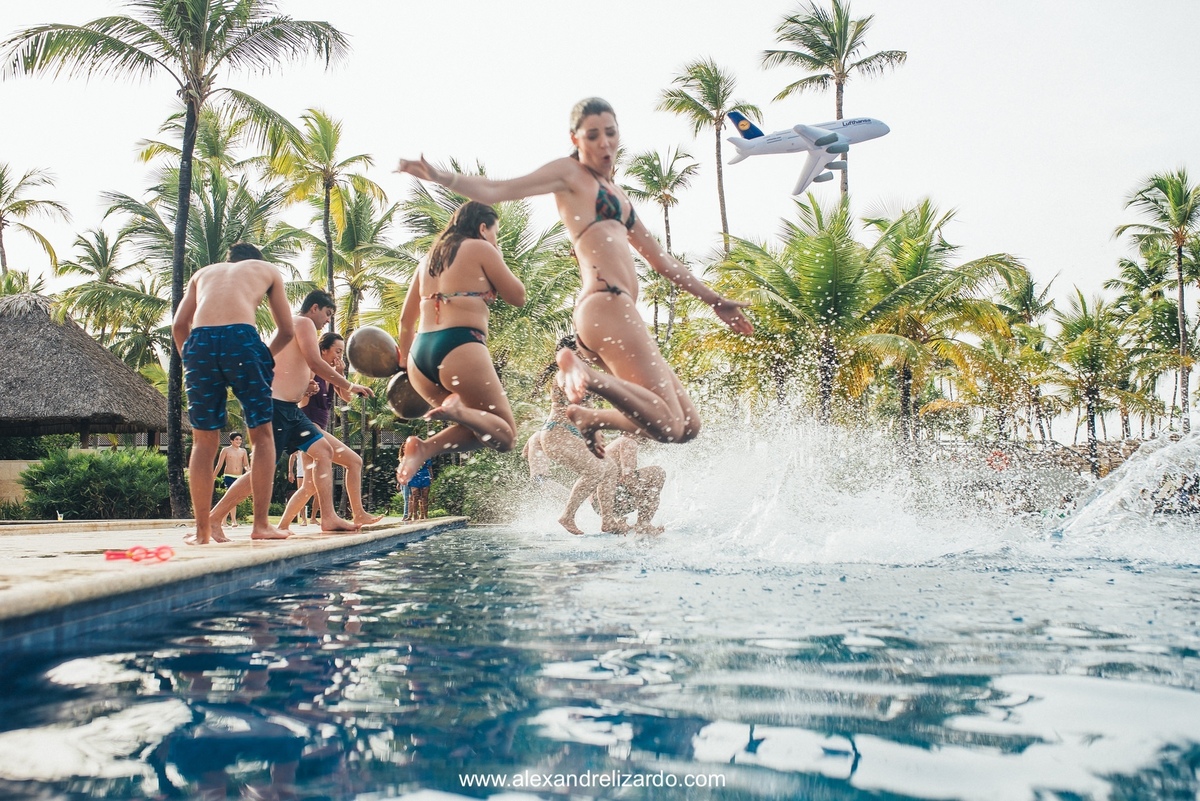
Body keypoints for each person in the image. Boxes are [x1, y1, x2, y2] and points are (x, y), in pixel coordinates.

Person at [396, 97, 753, 458]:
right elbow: (499, 189)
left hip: (620, 307)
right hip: (604, 303)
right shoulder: (569, 175)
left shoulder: (619, 196)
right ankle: (585, 373)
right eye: (592, 135)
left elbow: (661, 260)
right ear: (575, 139)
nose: (604, 143)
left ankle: (590, 416)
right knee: (669, 425)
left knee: (687, 426)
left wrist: (715, 300)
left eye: (610, 133)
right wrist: (442, 176)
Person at [208, 291, 374, 539]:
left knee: (324, 451)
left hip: (291, 412)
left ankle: (328, 518)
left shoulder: (295, 327)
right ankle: (213, 519)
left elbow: (279, 365)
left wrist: (304, 387)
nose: (327, 321)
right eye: (327, 314)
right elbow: (316, 363)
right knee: (260, 473)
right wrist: (350, 386)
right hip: (275, 409)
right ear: (314, 308)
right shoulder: (303, 322)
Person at [393, 201, 527, 484]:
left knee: (479, 426)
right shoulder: (481, 248)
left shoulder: (427, 260)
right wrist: (496, 252)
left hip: (420, 359)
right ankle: (456, 414)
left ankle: (424, 448)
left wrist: (405, 362)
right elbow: (518, 297)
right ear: (482, 227)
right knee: (505, 436)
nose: (495, 240)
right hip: (460, 345)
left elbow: (406, 322)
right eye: (495, 233)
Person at [171, 242, 295, 545]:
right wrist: (264, 356)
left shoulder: (202, 273)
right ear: (256, 260)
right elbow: (287, 331)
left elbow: (178, 326)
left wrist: (191, 360)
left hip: (199, 342)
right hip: (241, 338)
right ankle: (261, 525)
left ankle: (202, 531)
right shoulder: (267, 270)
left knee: (203, 442)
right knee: (262, 437)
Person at [276, 331, 384, 531]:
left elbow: (347, 398)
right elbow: (301, 402)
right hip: (309, 427)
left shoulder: (330, 374)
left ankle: (282, 526)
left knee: (308, 486)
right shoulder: (312, 368)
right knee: (354, 461)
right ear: (323, 350)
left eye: (342, 352)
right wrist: (308, 390)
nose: (339, 356)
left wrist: (341, 374)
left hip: (312, 432)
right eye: (337, 351)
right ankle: (358, 513)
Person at [534, 338, 621, 535]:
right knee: (594, 470)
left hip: (572, 435)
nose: (588, 356)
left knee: (610, 468)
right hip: (558, 434)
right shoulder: (565, 374)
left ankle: (608, 520)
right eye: (582, 352)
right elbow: (573, 391)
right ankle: (567, 516)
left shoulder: (583, 374)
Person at [597, 433, 666, 536]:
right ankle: (643, 526)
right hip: (611, 499)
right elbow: (628, 478)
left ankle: (618, 521)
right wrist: (648, 502)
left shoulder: (617, 443)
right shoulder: (628, 442)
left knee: (643, 485)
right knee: (658, 473)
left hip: (600, 504)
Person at [213, 432, 251, 527]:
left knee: (234, 499)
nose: (239, 441)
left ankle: (230, 521)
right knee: (230, 498)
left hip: (239, 477)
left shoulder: (243, 451)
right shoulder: (226, 450)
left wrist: (248, 471)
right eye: (237, 439)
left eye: (240, 439)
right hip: (229, 476)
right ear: (231, 440)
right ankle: (227, 521)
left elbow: (246, 464)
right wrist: (213, 476)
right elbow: (219, 464)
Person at [286, 447, 310, 527]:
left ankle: (313, 517)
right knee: (301, 495)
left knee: (317, 495)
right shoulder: (298, 445)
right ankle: (303, 519)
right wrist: (290, 472)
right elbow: (292, 457)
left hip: (312, 472)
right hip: (301, 473)